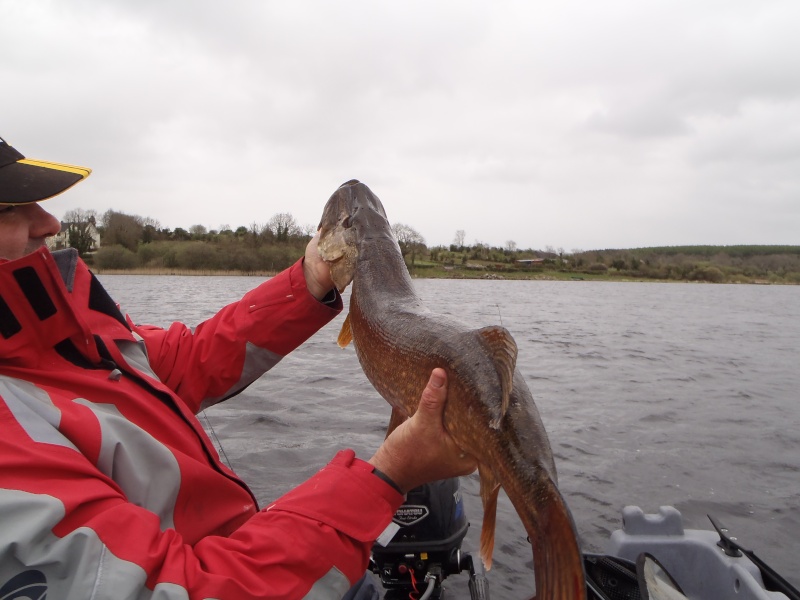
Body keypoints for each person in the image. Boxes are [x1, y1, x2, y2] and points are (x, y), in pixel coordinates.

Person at [0, 135, 477, 599]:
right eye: (9, 210)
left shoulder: (63, 334)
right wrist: (385, 479)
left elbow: (188, 362)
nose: (49, 221)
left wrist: (309, 280)